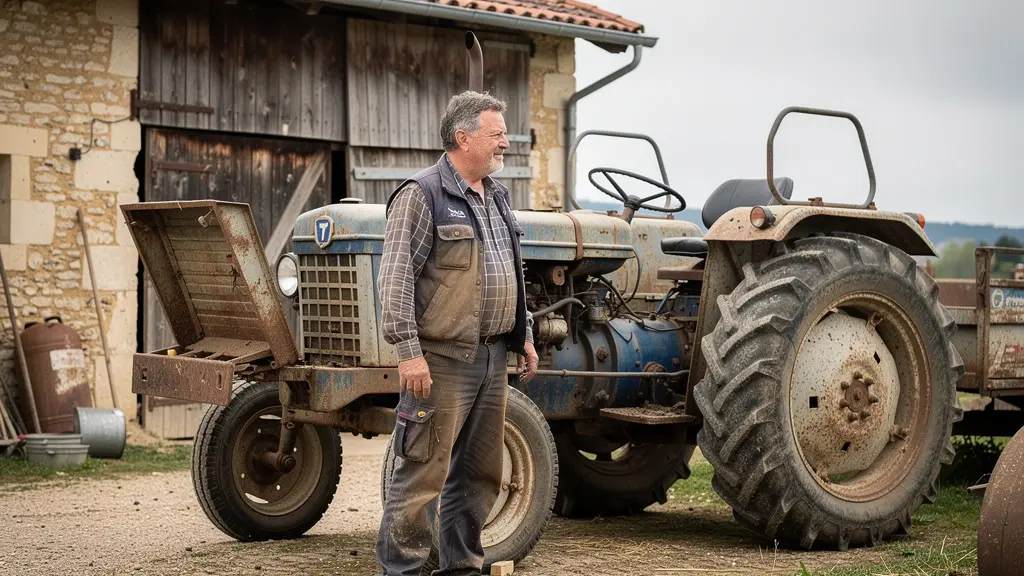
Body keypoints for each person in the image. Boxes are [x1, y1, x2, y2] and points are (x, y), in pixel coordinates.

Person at [375, 90, 539, 576]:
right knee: (422, 473)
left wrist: (523, 332)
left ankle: (462, 569)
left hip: (491, 360)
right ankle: (402, 571)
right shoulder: (421, 194)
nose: (506, 143)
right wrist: (408, 353)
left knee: (479, 476)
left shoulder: (498, 196)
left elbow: (510, 269)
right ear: (463, 138)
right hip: (441, 361)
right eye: (497, 134)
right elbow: (396, 277)